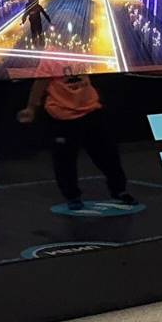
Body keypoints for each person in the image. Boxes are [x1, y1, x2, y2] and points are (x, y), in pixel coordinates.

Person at [18, 65, 137, 212]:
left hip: (91, 111)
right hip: (62, 116)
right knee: (65, 160)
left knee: (108, 155)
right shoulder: (50, 59)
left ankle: (119, 190)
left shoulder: (83, 52)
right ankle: (72, 196)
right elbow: (39, 84)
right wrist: (31, 108)